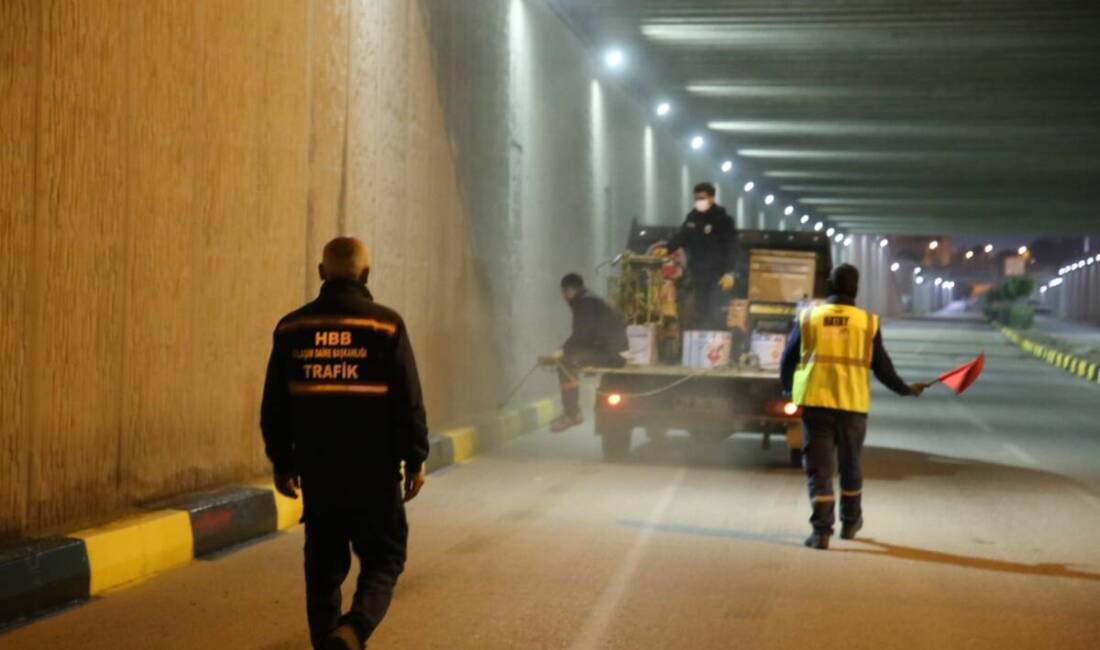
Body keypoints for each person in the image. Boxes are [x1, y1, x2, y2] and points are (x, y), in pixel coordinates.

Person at [261, 236, 429, 649]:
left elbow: (275, 406)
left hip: (320, 474)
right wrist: (416, 459)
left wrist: (282, 463)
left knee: (322, 569)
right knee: (385, 558)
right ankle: (353, 630)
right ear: (366, 274)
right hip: (375, 472)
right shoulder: (385, 325)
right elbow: (408, 400)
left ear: (321, 273)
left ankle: (328, 642)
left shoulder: (292, 327)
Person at [779, 264, 928, 550]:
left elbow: (788, 359)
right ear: (856, 290)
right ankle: (850, 522)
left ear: (828, 286)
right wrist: (905, 390)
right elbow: (882, 367)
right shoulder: (867, 323)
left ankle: (821, 531)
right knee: (851, 465)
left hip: (816, 404)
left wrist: (788, 390)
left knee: (820, 469)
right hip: (853, 406)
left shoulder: (809, 318)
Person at [550, 273, 629, 432]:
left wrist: (563, 350)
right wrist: (566, 348)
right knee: (570, 358)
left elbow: (584, 335)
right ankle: (572, 412)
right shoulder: (589, 301)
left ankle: (572, 414)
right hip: (610, 350)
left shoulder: (585, 304)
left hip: (612, 355)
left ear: (571, 290)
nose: (564, 297)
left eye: (565, 292)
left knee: (567, 363)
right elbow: (586, 335)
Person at [660, 182, 737, 329]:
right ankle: (700, 341)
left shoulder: (723, 220)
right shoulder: (693, 218)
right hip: (697, 273)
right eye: (697, 198)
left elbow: (732, 247)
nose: (699, 202)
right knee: (699, 311)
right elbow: (682, 236)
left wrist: (730, 272)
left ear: (711, 198)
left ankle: (716, 341)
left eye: (702, 198)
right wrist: (667, 248)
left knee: (715, 311)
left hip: (717, 275)